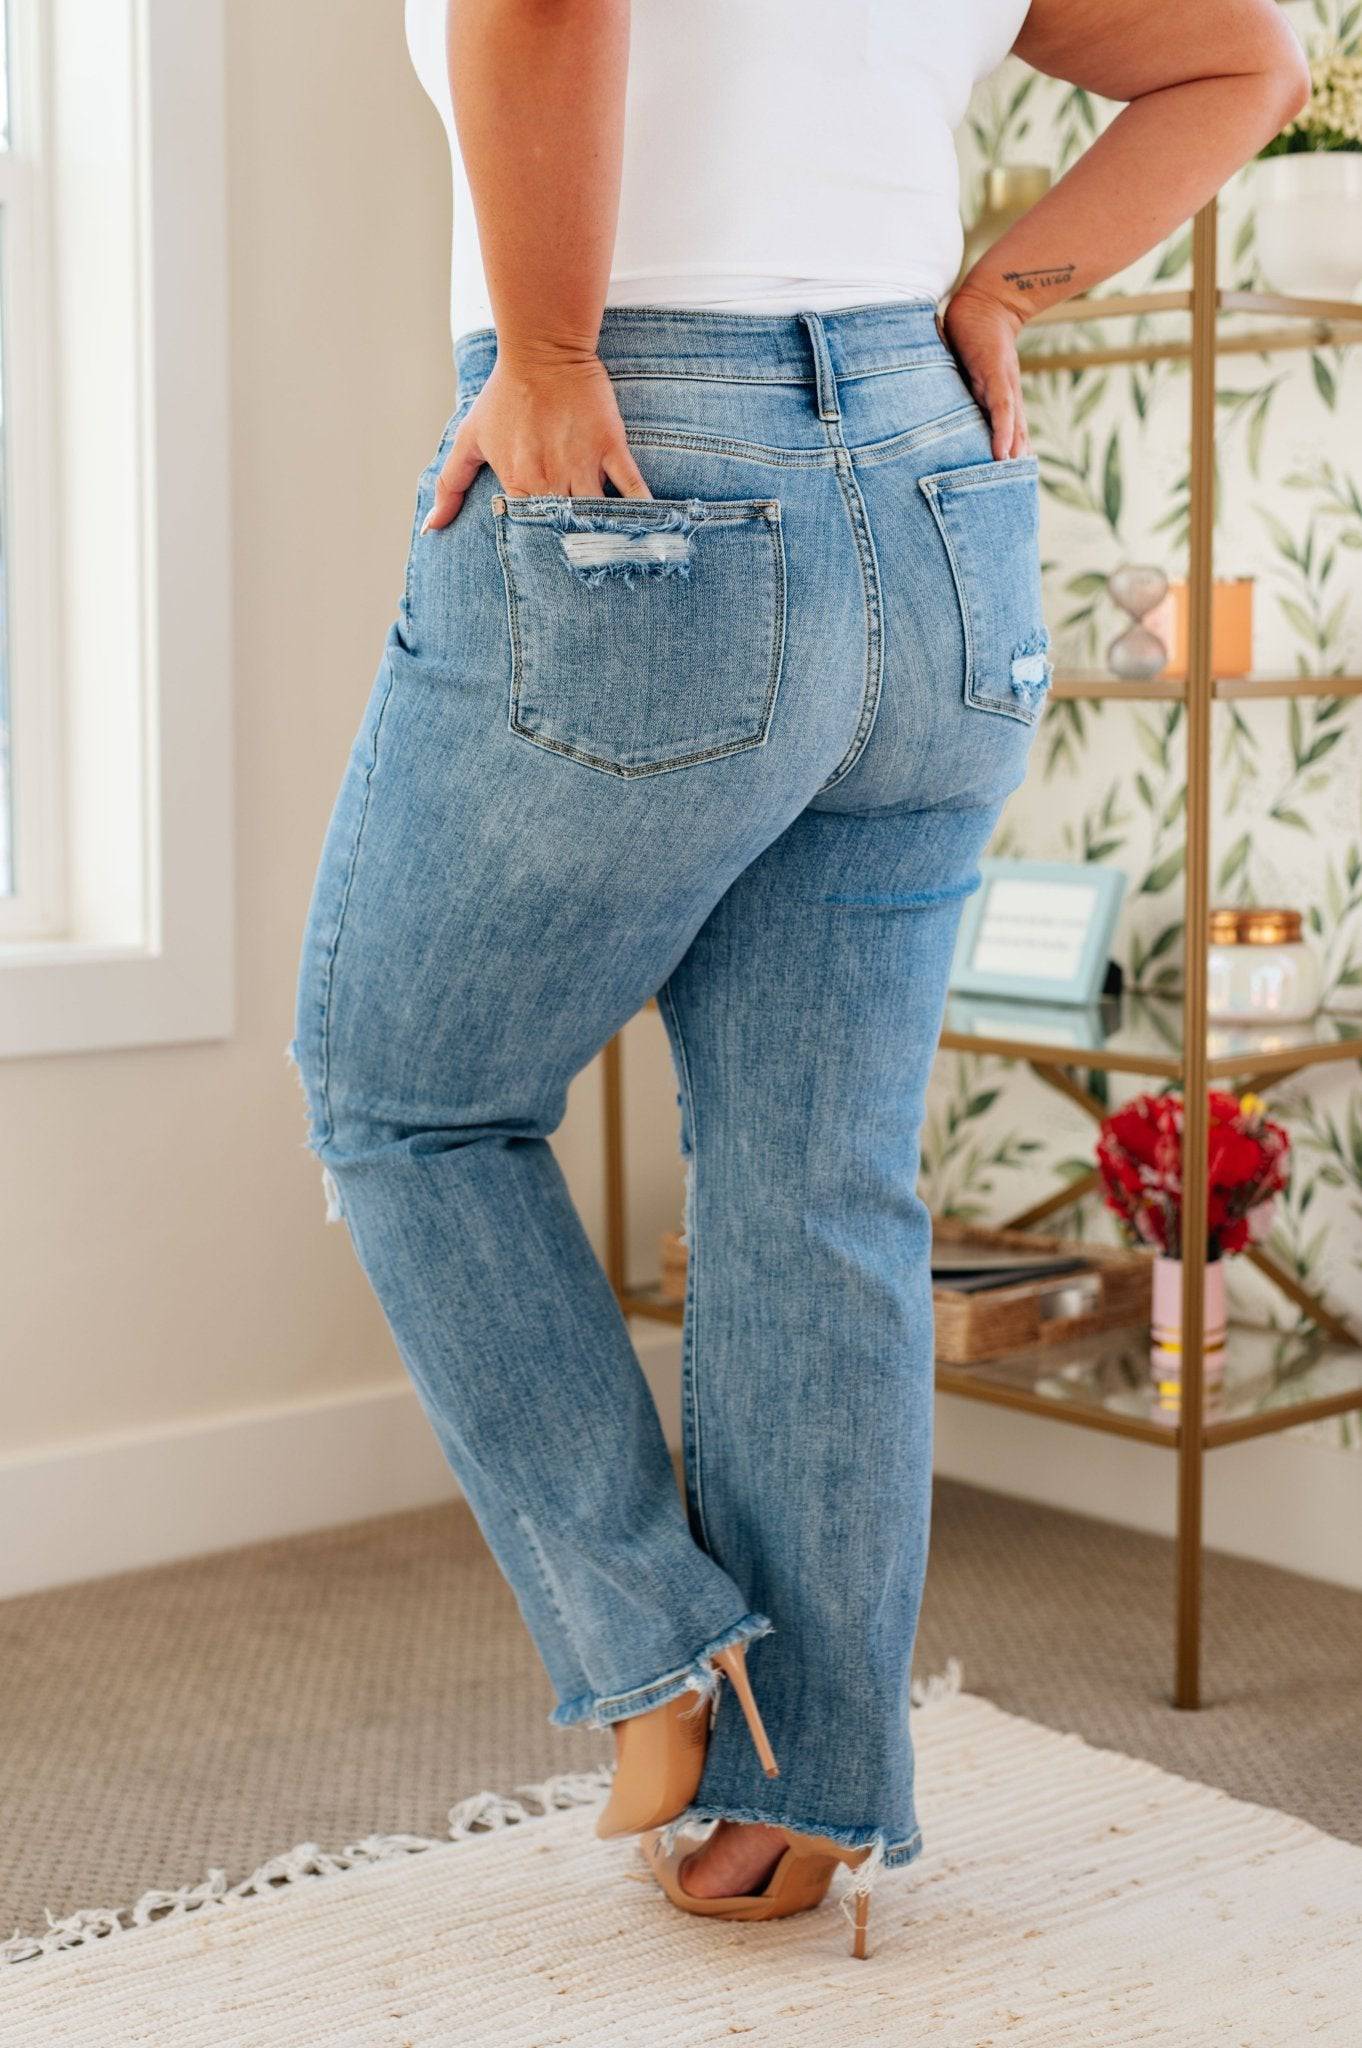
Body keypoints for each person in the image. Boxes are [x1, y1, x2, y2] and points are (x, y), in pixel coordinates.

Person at [290, 0, 1308, 1959]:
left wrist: (555, 354)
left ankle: (659, 1655)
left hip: (650, 437)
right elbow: (1242, 61)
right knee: (815, 1179)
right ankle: (796, 1794)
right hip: (938, 506)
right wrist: (996, 298)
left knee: (407, 1096)